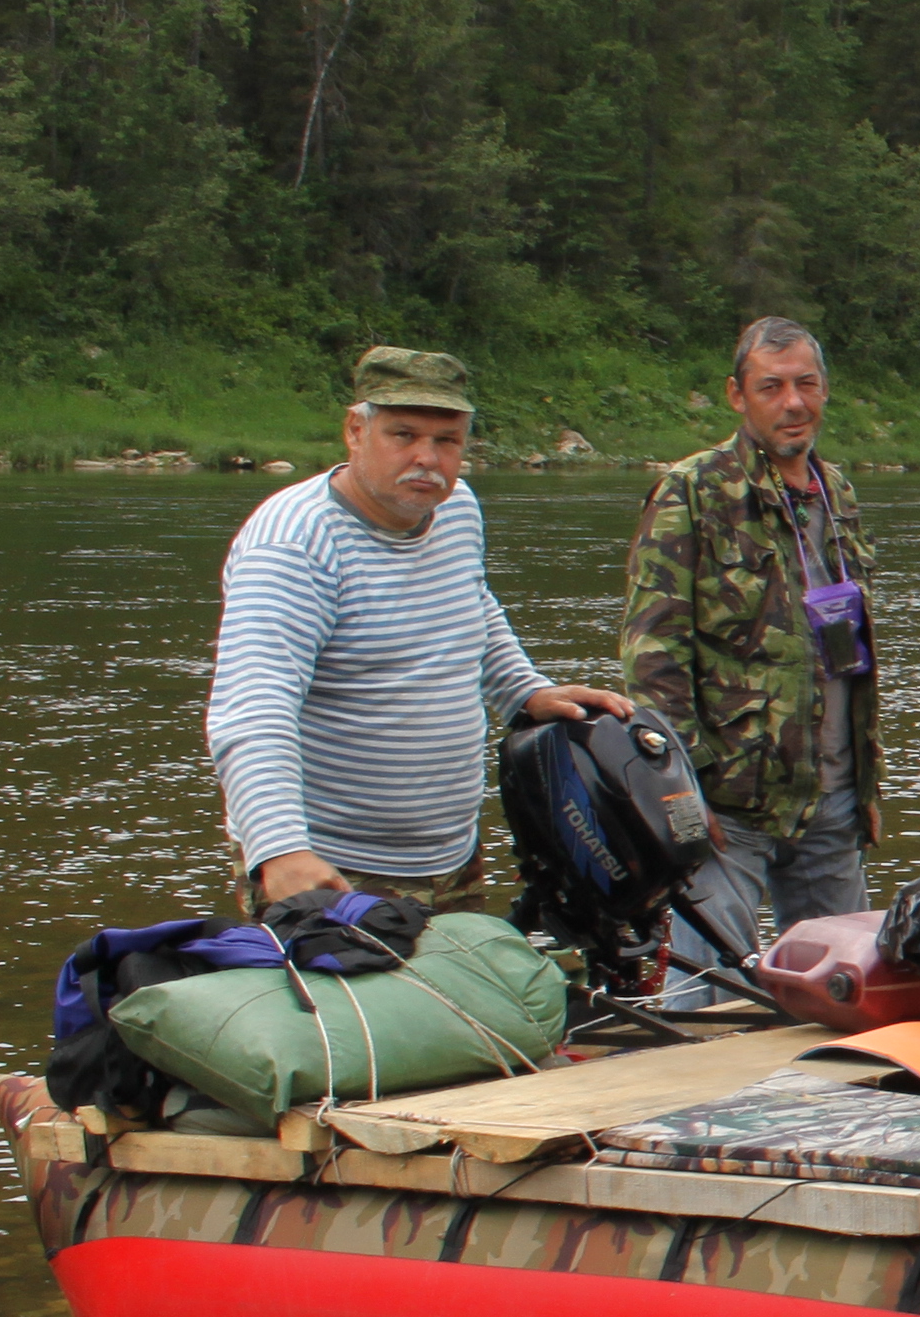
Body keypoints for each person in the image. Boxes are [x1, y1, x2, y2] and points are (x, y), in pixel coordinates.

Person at [207, 346, 626, 909]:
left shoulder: (455, 510)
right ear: (355, 430)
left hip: (449, 854)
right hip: (331, 866)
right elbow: (252, 711)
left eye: (446, 440)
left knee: (460, 997)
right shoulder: (293, 546)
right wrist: (279, 850)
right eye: (403, 435)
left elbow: (472, 605)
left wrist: (523, 690)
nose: (427, 458)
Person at [621, 319, 881, 1002]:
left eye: (806, 384)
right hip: (730, 804)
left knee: (842, 996)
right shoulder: (692, 490)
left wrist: (866, 786)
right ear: (738, 396)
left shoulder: (837, 492)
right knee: (707, 995)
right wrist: (683, 785)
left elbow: (855, 648)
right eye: (772, 387)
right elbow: (653, 654)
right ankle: (688, 1109)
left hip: (833, 796)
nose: (792, 403)